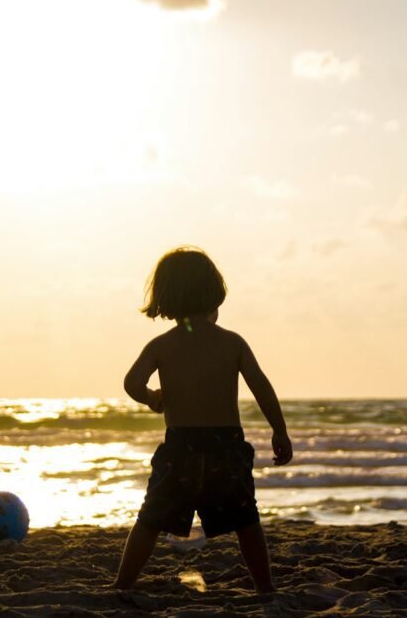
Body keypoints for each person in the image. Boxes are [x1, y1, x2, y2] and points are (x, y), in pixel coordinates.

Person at [112, 247, 293, 592]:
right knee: (246, 521)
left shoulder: (161, 345)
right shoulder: (232, 343)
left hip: (180, 447)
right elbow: (262, 388)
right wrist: (279, 431)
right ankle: (265, 589)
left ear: (165, 298)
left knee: (150, 520)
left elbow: (132, 382)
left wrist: (151, 398)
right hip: (225, 447)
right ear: (214, 293)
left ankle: (122, 584)